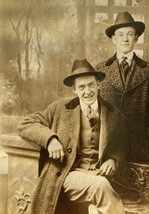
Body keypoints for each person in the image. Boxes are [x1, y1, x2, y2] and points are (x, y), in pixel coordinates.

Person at [18, 59, 125, 214]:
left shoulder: (114, 114)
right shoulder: (60, 108)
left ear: (98, 85)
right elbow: (26, 123)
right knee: (100, 185)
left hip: (99, 173)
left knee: (96, 207)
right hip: (68, 174)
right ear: (74, 89)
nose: (87, 91)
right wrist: (50, 140)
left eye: (91, 85)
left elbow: (120, 144)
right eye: (81, 87)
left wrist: (113, 159)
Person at [96, 11, 149, 164]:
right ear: (113, 39)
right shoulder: (101, 69)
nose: (125, 39)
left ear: (136, 38)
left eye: (130, 34)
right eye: (121, 34)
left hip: (139, 145)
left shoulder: (147, 69)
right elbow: (96, 106)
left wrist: (146, 137)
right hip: (108, 145)